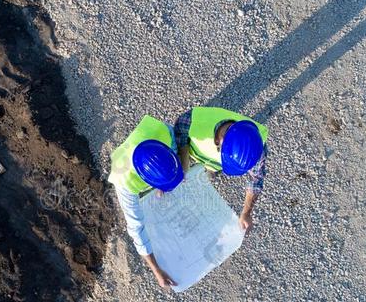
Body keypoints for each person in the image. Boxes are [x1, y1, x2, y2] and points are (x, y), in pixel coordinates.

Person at [108, 115, 183, 289]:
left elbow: (173, 141)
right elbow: (136, 228)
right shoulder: (124, 182)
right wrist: (157, 270)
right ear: (146, 181)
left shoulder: (161, 131)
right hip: (124, 164)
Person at [174, 107, 268, 232]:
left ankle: (211, 170)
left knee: (210, 172)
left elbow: (255, 180)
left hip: (212, 162)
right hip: (196, 156)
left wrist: (246, 213)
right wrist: (184, 167)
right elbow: (181, 140)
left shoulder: (255, 147)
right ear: (218, 141)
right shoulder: (191, 121)